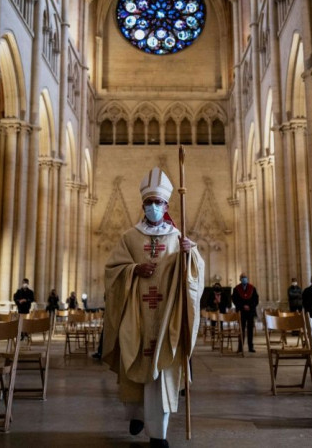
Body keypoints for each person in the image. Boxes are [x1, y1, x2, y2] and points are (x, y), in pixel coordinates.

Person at [103, 167, 204, 448]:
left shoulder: (176, 237)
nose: (153, 207)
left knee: (163, 369)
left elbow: (193, 276)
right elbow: (112, 270)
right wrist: (134, 269)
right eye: (149, 203)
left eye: (158, 203)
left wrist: (191, 254)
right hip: (136, 314)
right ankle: (136, 415)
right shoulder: (129, 237)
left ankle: (158, 434)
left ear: (167, 206)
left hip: (166, 316)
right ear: (142, 205)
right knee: (135, 360)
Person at [231, 272, 259, 353]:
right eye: (242, 277)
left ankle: (251, 347)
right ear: (240, 279)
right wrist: (243, 306)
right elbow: (235, 300)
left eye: (245, 277)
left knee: (250, 329)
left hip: (250, 311)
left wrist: (249, 306)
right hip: (241, 311)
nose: (244, 279)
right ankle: (240, 347)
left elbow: (256, 299)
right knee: (241, 329)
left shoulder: (252, 288)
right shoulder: (236, 289)